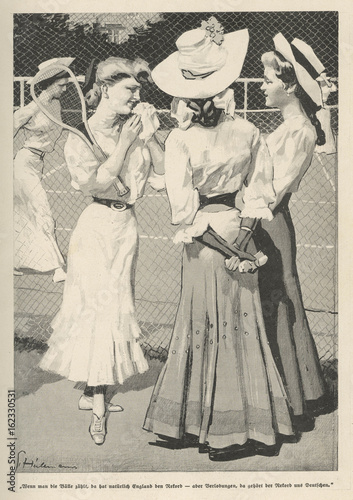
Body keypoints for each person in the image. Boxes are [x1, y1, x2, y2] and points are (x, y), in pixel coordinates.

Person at [143, 19, 295, 461]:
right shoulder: (249, 131)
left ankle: (203, 427)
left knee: (200, 328)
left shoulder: (180, 140)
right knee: (239, 331)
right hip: (236, 237)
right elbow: (258, 194)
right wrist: (244, 247)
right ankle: (238, 426)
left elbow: (185, 213)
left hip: (207, 244)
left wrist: (231, 250)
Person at [39, 57, 165, 445]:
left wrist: (152, 136)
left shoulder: (137, 129)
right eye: (130, 89)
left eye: (140, 90)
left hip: (126, 230)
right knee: (98, 310)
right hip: (95, 231)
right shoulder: (79, 135)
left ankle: (93, 389)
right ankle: (97, 408)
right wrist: (126, 143)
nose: (137, 97)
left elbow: (161, 181)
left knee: (117, 307)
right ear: (105, 89)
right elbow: (95, 184)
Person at [247, 33, 329, 430]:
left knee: (280, 304)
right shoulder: (285, 128)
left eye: (267, 80)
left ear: (290, 85)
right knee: (272, 304)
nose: (262, 86)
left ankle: (296, 401)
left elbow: (273, 189)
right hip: (263, 218)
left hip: (269, 222)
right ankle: (297, 391)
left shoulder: (299, 131)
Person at [13, 58, 74, 282]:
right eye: (62, 85)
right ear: (49, 84)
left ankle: (11, 262)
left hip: (37, 164)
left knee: (20, 214)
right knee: (42, 210)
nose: (66, 88)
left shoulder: (55, 105)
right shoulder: (32, 108)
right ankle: (58, 268)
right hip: (23, 163)